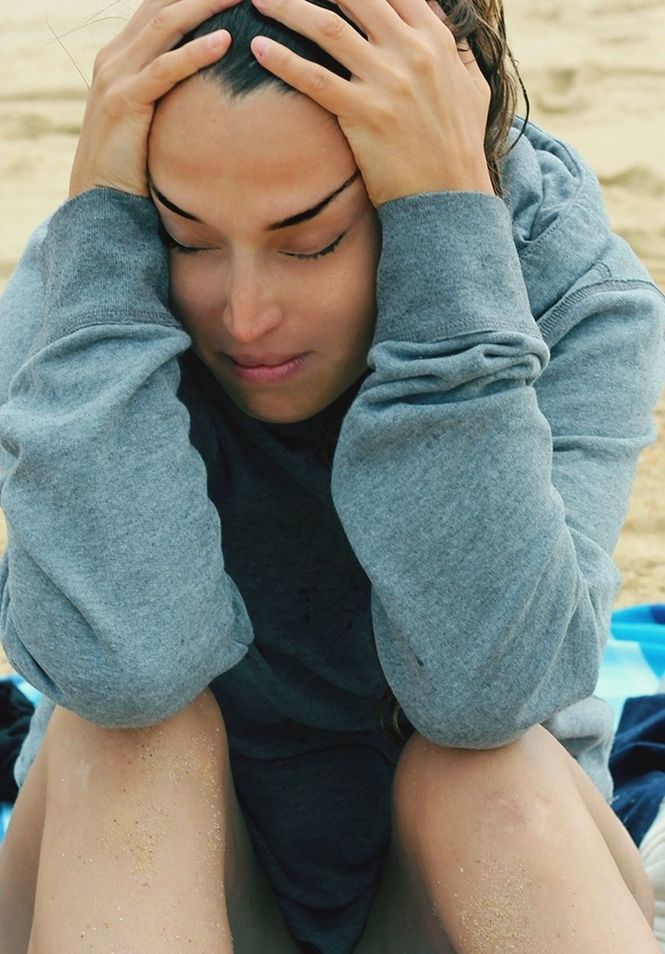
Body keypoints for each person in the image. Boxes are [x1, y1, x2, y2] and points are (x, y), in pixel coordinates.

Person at [0, 0, 663, 950]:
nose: (245, 314)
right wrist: (105, 254)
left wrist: (446, 254)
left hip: (465, 890)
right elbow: (124, 667)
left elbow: (485, 688)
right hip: (151, 880)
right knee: (134, 745)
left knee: (477, 770)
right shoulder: (88, 283)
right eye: (187, 238)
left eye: (309, 241)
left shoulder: (569, 290)